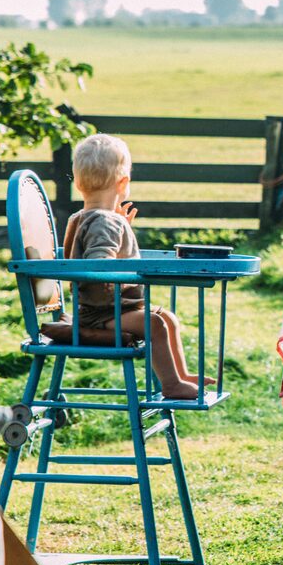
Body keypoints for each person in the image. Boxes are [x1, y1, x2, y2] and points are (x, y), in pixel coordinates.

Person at [64, 134, 203, 400]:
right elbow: (98, 262)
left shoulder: (84, 217)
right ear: (123, 182)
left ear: (78, 182)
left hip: (105, 308)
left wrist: (121, 230)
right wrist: (132, 268)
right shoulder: (106, 222)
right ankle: (172, 384)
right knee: (155, 324)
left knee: (167, 318)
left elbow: (96, 246)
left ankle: (181, 376)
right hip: (103, 314)